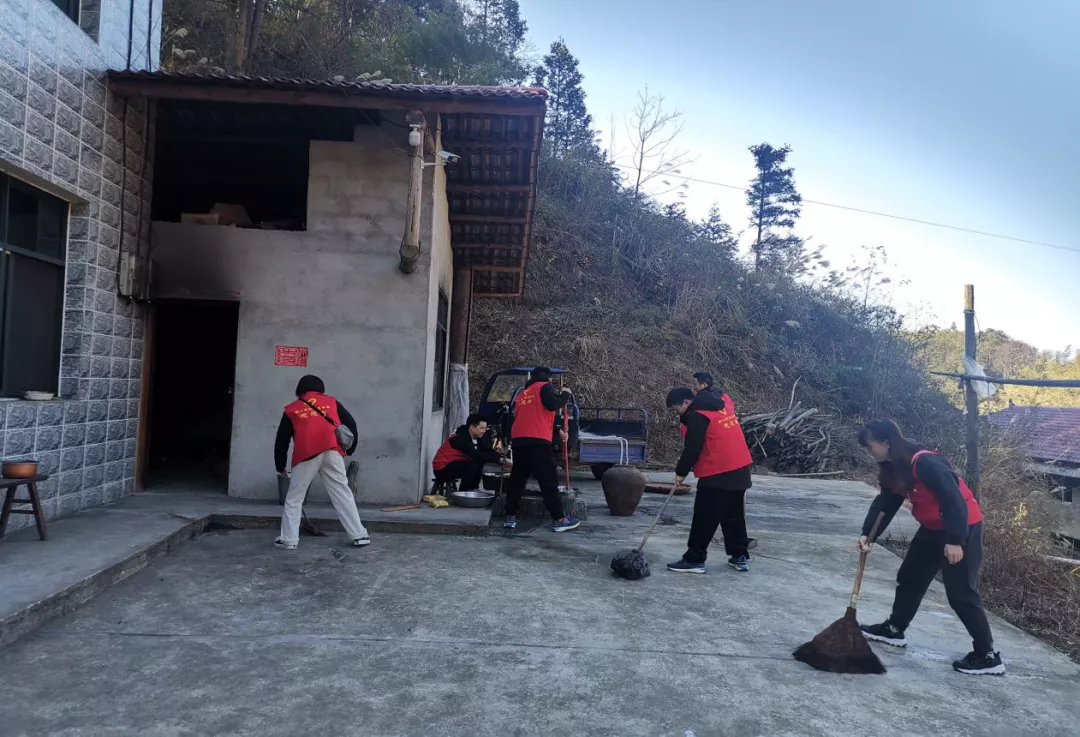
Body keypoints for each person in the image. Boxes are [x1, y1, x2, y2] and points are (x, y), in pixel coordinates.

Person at [855, 419, 1004, 675]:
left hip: (963, 527)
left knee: (960, 593)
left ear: (885, 442)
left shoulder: (925, 462)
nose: (869, 453)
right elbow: (886, 503)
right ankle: (894, 629)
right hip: (933, 528)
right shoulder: (894, 467)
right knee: (910, 577)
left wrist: (955, 540)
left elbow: (954, 500)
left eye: (870, 447)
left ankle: (987, 655)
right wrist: (868, 535)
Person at [273, 375, 370, 550]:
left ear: (300, 390)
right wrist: (349, 450)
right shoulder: (332, 402)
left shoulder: (292, 409)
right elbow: (351, 425)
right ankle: (359, 535)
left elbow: (282, 439)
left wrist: (280, 466)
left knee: (295, 497)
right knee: (342, 492)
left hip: (306, 454)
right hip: (332, 451)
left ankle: (288, 539)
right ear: (321, 389)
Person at [665, 386, 754, 574]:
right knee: (733, 515)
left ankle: (694, 560)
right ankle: (740, 556)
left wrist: (680, 472)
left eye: (676, 408)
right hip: (740, 469)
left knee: (704, 517)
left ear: (686, 402)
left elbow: (693, 447)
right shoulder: (722, 406)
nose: (678, 412)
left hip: (718, 471)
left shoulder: (697, 415)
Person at [503, 367, 581, 533]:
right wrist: (565, 394)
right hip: (538, 442)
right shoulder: (545, 386)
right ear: (548, 377)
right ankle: (559, 519)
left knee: (517, 481)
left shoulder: (523, 393)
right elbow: (553, 404)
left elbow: (533, 415)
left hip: (519, 441)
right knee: (548, 481)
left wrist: (557, 430)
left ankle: (510, 517)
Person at [432, 413, 510, 491]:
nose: (484, 431)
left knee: (478, 463)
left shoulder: (476, 437)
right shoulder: (460, 438)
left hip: (455, 464)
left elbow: (486, 450)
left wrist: (502, 458)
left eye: (485, 429)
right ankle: (464, 492)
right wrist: (499, 460)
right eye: (481, 428)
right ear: (472, 427)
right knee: (472, 465)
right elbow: (474, 454)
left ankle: (474, 489)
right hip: (442, 469)